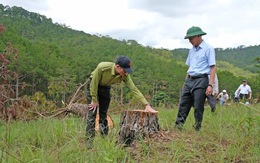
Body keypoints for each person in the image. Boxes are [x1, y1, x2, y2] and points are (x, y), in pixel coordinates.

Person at [85, 55, 158, 148]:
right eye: (125, 70)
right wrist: (94, 100)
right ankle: (89, 143)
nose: (126, 73)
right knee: (92, 113)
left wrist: (146, 105)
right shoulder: (103, 67)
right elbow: (93, 84)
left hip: (105, 88)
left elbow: (134, 89)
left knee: (103, 114)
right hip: (92, 86)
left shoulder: (125, 76)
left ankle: (104, 139)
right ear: (118, 67)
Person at [174, 26, 216, 131]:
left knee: (198, 105)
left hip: (201, 79)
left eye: (191, 38)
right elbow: (190, 67)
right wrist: (186, 82)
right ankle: (178, 126)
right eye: (188, 39)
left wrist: (210, 85)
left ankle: (197, 127)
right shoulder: (191, 51)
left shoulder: (208, 49)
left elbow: (213, 67)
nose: (190, 41)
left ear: (198, 36)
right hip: (190, 79)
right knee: (184, 103)